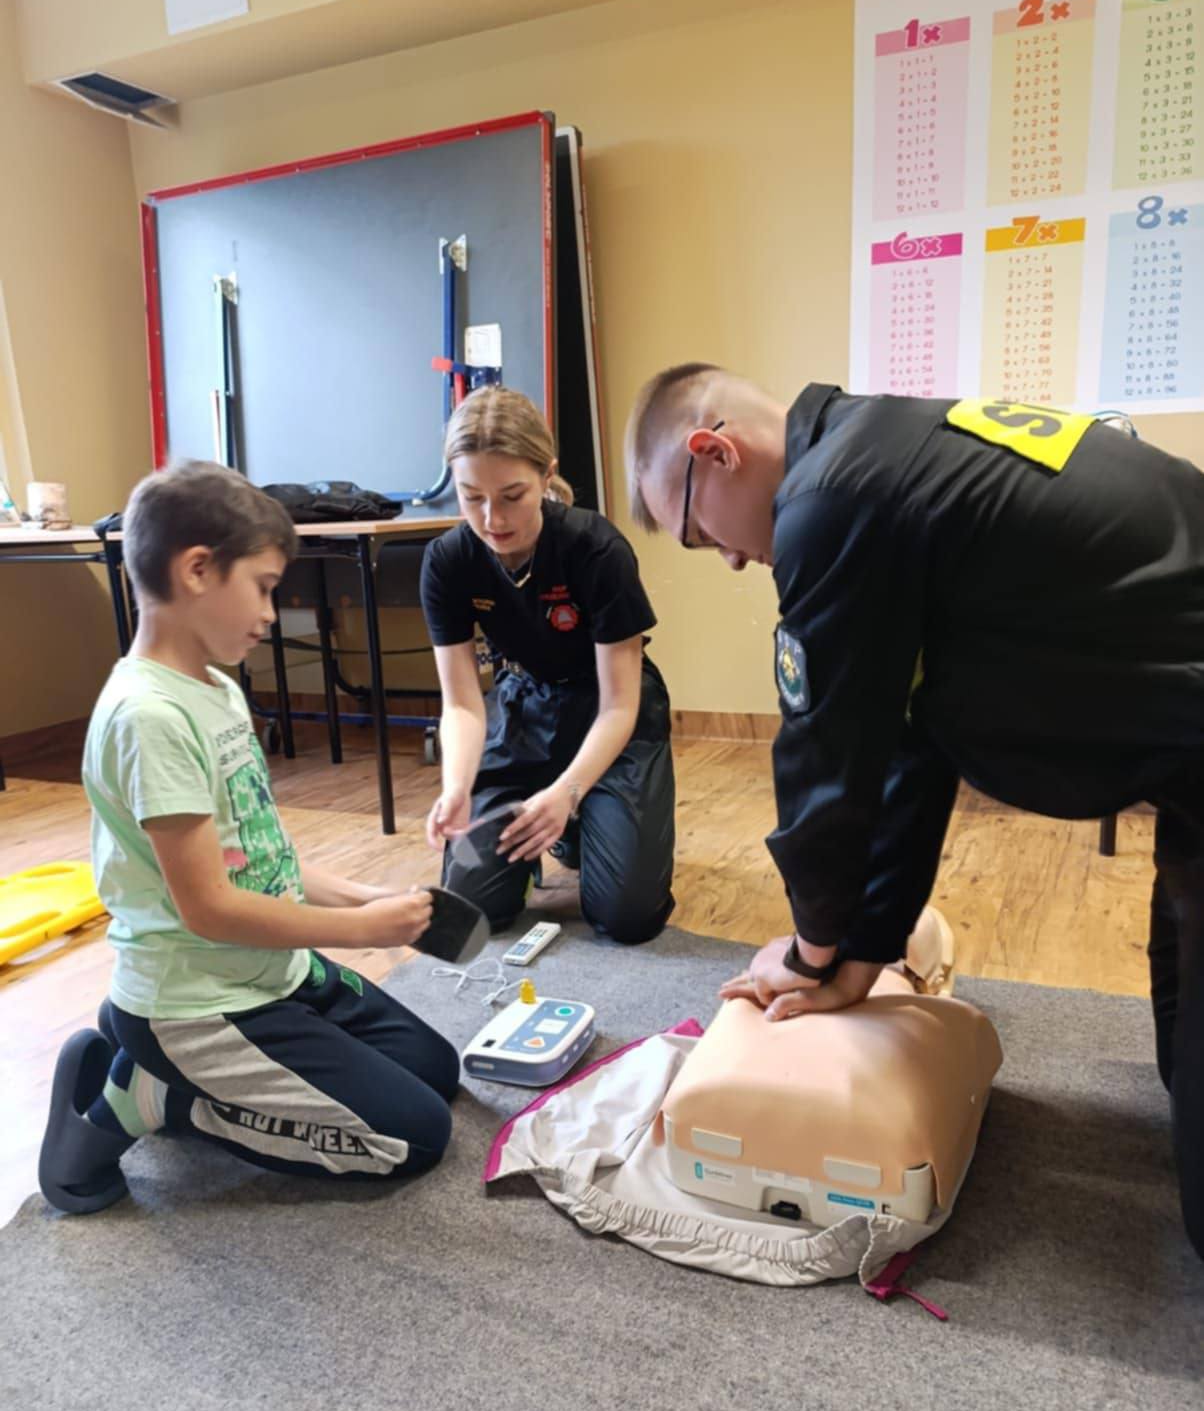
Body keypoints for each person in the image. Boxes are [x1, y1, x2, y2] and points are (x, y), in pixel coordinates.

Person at [625, 364, 1204, 1259]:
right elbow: (910, 742)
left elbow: (826, 756)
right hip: (1183, 738)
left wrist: (811, 949)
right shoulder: (882, 447)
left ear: (715, 451)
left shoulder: (828, 501)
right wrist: (860, 949)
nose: (731, 559)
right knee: (1180, 1029)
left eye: (700, 534)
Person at [39, 461, 459, 1215]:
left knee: (435, 1070)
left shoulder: (218, 689)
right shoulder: (149, 717)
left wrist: (369, 896)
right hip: (198, 1002)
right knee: (411, 1137)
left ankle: (150, 1057)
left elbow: (264, 861)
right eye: (263, 588)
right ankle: (158, 1094)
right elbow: (209, 908)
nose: (271, 613)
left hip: (271, 975)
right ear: (198, 570)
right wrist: (361, 929)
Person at [420, 387, 674, 942]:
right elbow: (462, 704)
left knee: (627, 915)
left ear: (545, 476)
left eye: (512, 496)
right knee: (471, 903)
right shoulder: (447, 562)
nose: (492, 519)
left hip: (612, 708)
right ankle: (560, 819)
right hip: (527, 705)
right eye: (471, 497)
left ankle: (578, 821)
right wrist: (457, 786)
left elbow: (620, 706)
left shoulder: (596, 548)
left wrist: (567, 793)